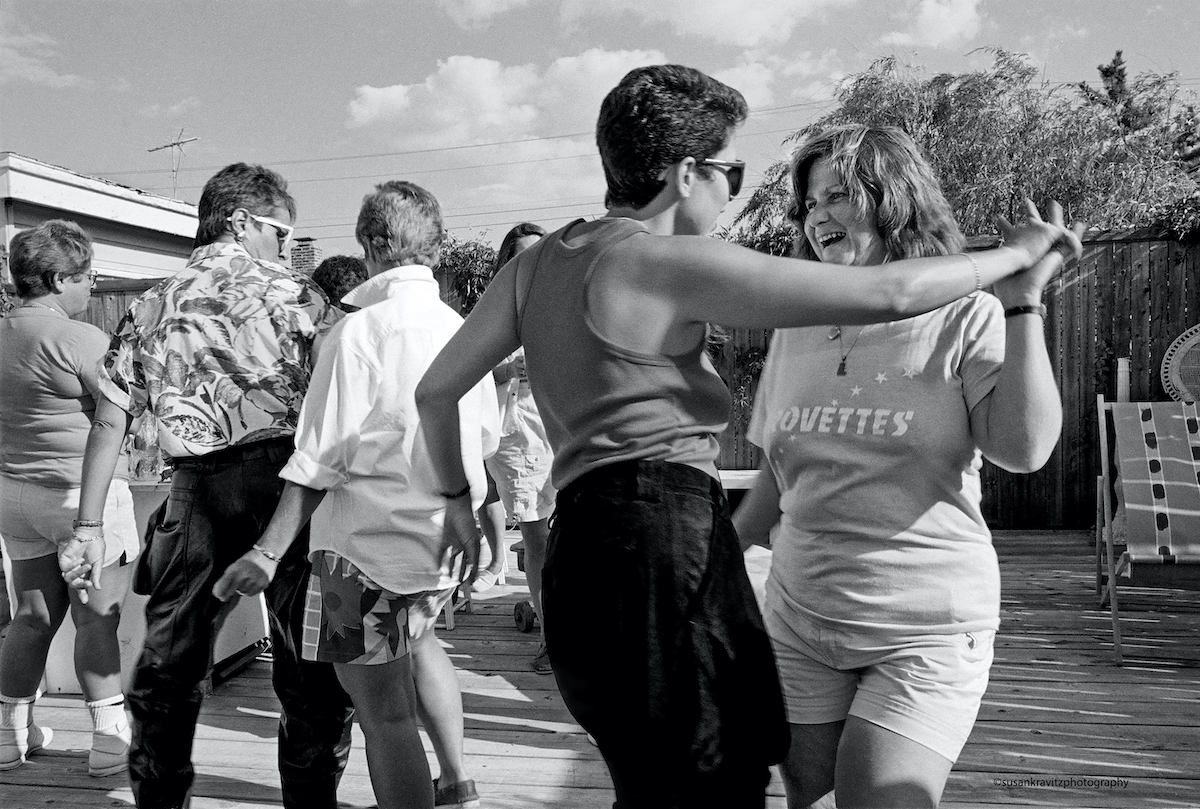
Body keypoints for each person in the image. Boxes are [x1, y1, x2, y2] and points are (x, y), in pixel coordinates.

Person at [414, 64, 1080, 809]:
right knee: (713, 788)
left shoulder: (534, 264)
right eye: (731, 170)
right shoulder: (669, 259)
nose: (736, 191)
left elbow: (435, 391)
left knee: (648, 779)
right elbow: (891, 292)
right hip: (665, 539)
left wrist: (454, 503)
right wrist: (1017, 257)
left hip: (579, 552)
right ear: (688, 171)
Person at [732, 124, 1080, 809]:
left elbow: (1025, 448)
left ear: (894, 200)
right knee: (812, 796)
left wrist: (1022, 299)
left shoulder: (965, 313)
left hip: (925, 627)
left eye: (838, 195)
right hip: (800, 620)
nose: (818, 215)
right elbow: (778, 473)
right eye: (808, 204)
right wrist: (719, 554)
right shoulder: (794, 325)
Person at [59, 163, 355, 809]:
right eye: (280, 231)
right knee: (310, 669)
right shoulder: (302, 297)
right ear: (242, 220)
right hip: (292, 489)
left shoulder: (151, 301)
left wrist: (86, 527)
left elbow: (111, 417)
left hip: (195, 491)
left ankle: (161, 800)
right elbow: (339, 415)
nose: (282, 245)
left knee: (170, 663)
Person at [213, 180, 498, 809]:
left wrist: (266, 551)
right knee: (422, 644)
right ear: (437, 247)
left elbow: (320, 460)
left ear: (371, 245)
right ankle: (456, 780)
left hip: (358, 555)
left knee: (385, 717)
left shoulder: (356, 334)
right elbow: (485, 438)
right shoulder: (463, 327)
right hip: (440, 543)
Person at [0, 220, 139, 776]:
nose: (93, 288)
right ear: (59, 280)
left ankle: (9, 737)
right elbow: (115, 422)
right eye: (88, 278)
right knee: (96, 621)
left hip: (13, 495)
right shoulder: (82, 341)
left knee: (30, 619)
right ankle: (109, 742)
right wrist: (88, 524)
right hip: (82, 497)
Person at [473, 223, 557, 675]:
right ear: (508, 262)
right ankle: (551, 636)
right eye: (523, 255)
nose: (533, 262)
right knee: (538, 537)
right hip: (519, 438)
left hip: (567, 432)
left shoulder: (566, 305)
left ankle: (572, 624)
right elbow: (462, 376)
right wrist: (508, 371)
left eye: (541, 253)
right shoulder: (493, 313)